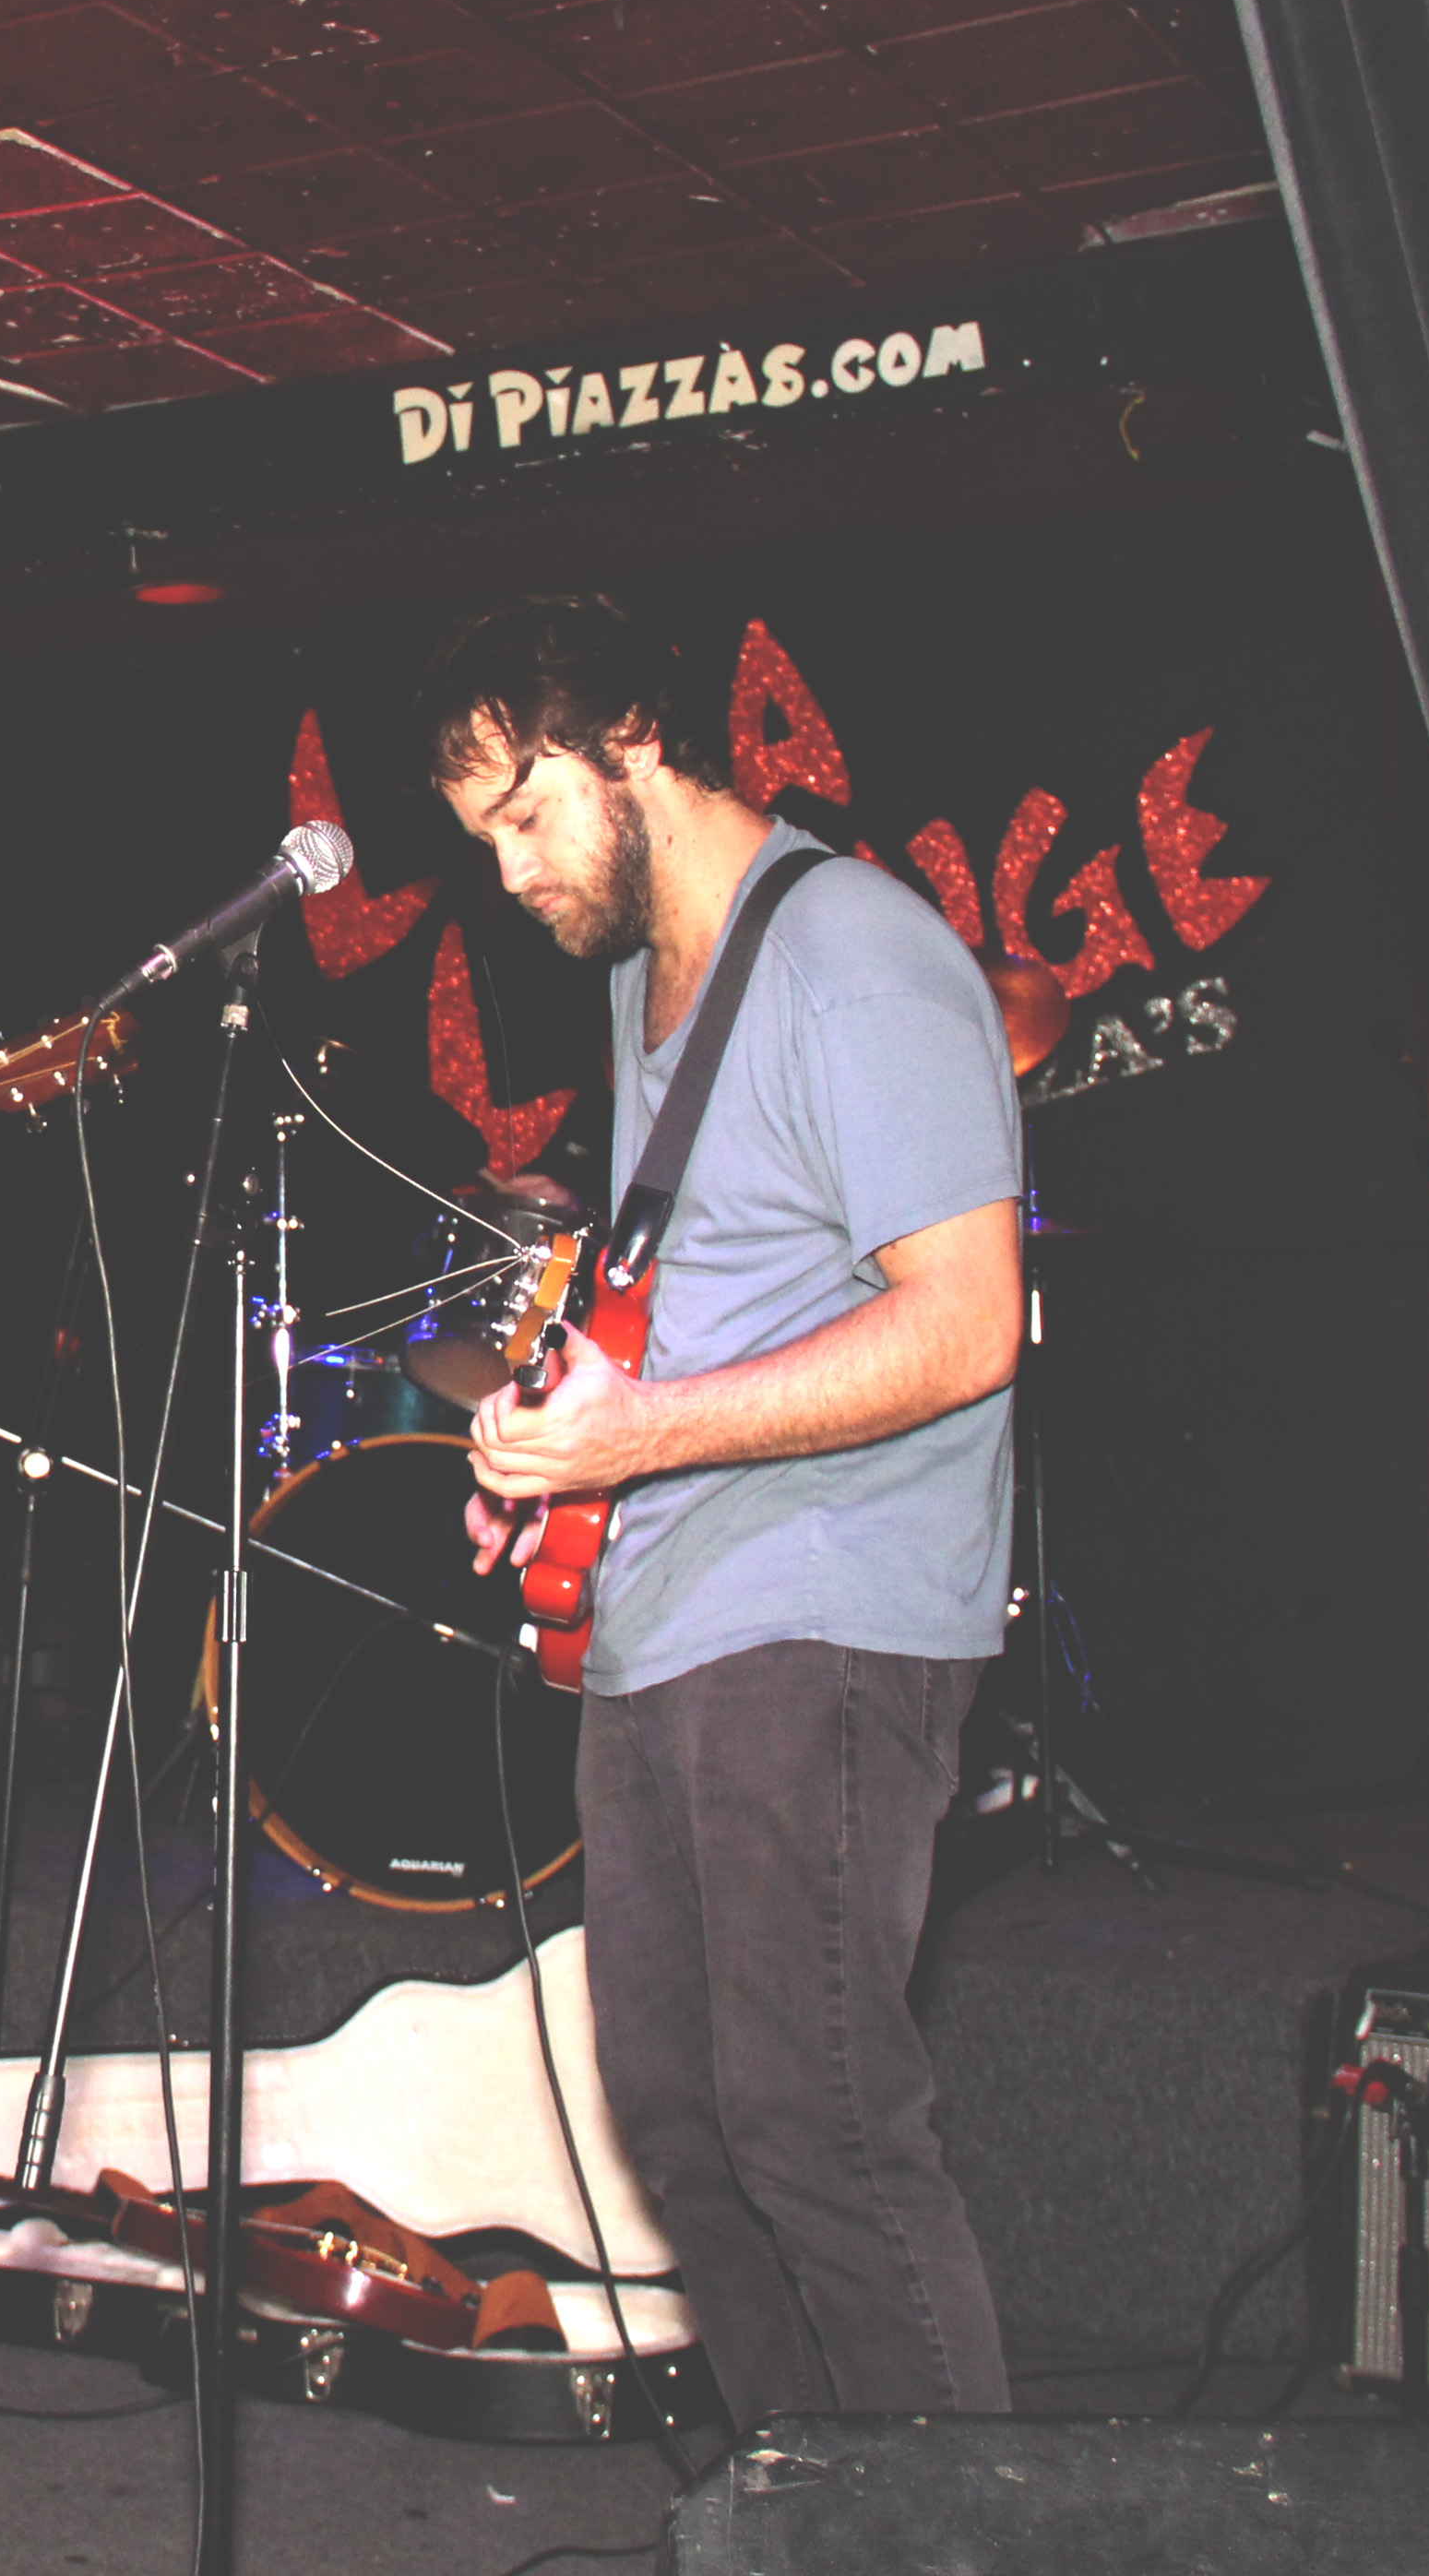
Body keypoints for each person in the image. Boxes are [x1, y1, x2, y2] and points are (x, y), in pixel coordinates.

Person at [430, 597, 1023, 2426]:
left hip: (824, 1606)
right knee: (683, 2127)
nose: (509, 872)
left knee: (816, 2125)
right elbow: (690, 1305)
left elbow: (967, 1322)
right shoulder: (642, 983)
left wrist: (645, 1436)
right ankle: (797, 2512)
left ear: (632, 746)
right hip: (661, 1611)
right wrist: (559, 1467)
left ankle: (961, 2539)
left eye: (525, 814)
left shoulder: (854, 953)